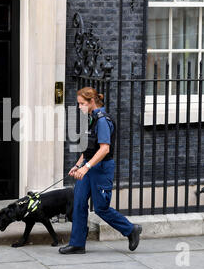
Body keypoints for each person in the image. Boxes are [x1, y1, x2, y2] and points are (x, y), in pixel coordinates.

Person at [59, 87, 142, 254]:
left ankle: (131, 229)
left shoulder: (103, 121)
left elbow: (104, 149)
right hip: (89, 166)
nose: (79, 107)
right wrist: (78, 165)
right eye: (78, 104)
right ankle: (77, 244)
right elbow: (90, 148)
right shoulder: (91, 118)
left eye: (82, 104)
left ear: (92, 102)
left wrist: (87, 167)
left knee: (101, 208)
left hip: (101, 168)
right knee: (79, 204)